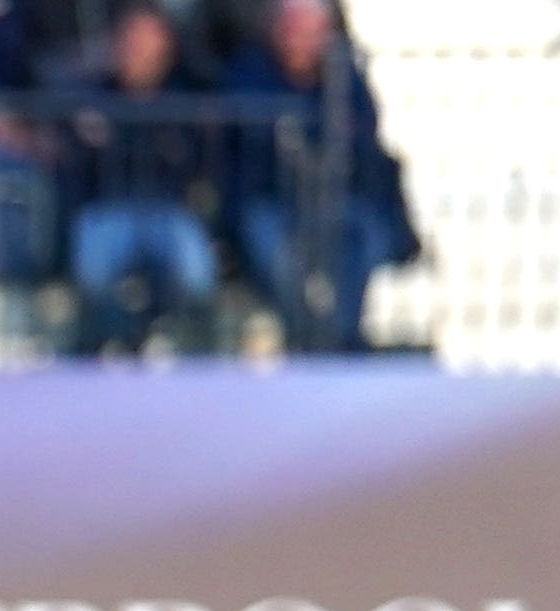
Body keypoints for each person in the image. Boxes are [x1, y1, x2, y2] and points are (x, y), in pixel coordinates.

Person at [220, 0, 417, 352]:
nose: (300, 39)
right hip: (268, 203)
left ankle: (340, 338)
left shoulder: (346, 82)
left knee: (363, 239)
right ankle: (309, 339)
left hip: (336, 202)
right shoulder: (248, 76)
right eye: (292, 27)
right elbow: (241, 156)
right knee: (273, 251)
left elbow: (364, 148)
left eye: (310, 29)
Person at [57, 1, 226, 355]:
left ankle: (159, 335)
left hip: (169, 210)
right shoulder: (94, 94)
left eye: (149, 39)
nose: (140, 49)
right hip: (107, 208)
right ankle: (124, 339)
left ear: (166, 46)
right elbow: (77, 161)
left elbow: (195, 163)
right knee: (93, 275)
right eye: (132, 39)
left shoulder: (186, 96)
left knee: (195, 276)